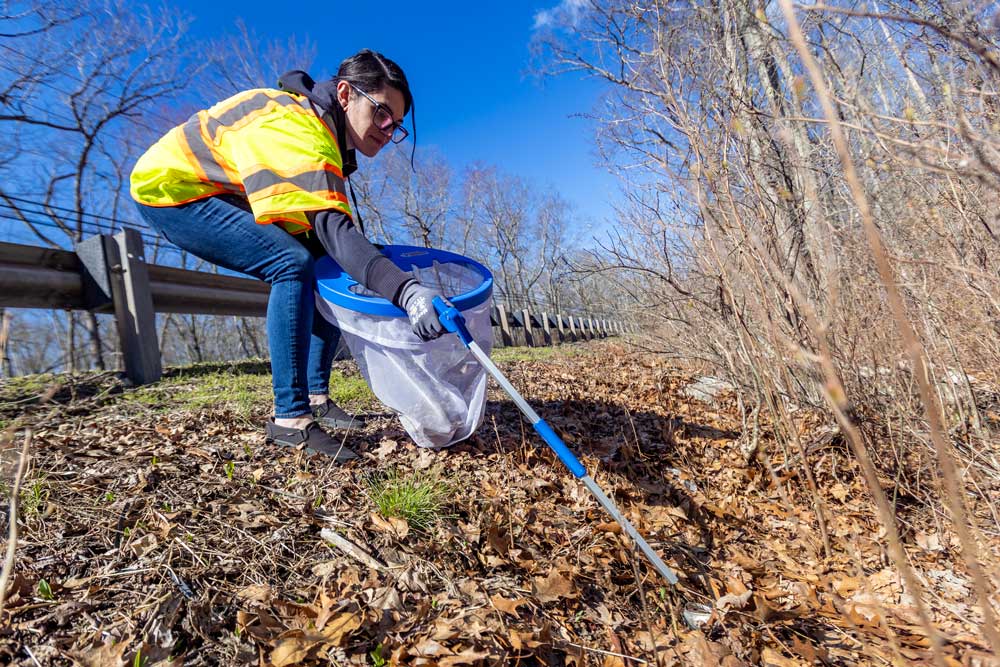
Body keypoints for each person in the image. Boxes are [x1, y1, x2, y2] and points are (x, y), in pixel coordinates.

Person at [129, 49, 446, 462]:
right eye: (382, 114)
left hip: (224, 192)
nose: (388, 131)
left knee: (328, 268)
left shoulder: (323, 132)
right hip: (172, 190)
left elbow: (333, 241)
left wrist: (373, 266)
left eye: (397, 125)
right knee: (291, 264)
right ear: (346, 94)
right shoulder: (298, 127)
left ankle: (317, 398)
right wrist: (405, 291)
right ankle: (290, 419)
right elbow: (334, 228)